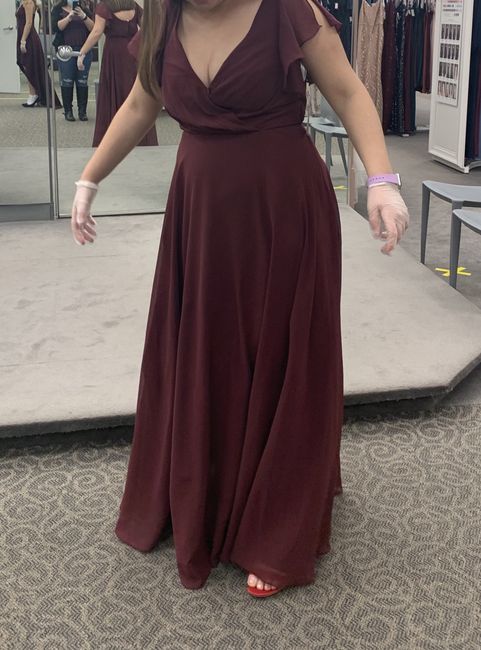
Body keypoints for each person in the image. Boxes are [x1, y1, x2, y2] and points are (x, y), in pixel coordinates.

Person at [71, 0, 409, 598]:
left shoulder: (287, 8)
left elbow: (348, 92)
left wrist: (382, 181)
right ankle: (210, 493)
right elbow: (142, 101)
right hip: (202, 217)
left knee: (281, 356)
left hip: (284, 210)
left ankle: (277, 527)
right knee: (214, 352)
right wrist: (89, 177)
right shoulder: (165, 15)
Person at [77, 0, 158, 146]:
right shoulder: (133, 5)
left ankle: (114, 141)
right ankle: (139, 138)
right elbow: (148, 27)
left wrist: (82, 52)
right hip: (134, 55)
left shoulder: (104, 7)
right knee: (134, 94)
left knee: (114, 95)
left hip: (114, 56)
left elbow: (96, 32)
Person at [52, 0, 95, 121]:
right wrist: (69, 17)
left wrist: (84, 16)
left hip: (83, 50)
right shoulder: (58, 9)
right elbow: (56, 27)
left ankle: (82, 111)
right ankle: (68, 111)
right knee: (67, 80)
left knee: (82, 81)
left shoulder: (85, 10)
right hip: (65, 50)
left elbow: (93, 28)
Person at [16, 0, 61, 108]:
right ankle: (34, 93)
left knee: (29, 65)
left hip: (28, 38)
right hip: (23, 35)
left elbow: (29, 23)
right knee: (26, 65)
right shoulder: (23, 2)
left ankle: (34, 94)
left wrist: (23, 40)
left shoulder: (28, 2)